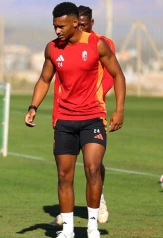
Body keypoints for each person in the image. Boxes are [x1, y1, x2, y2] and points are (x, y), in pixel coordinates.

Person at [24, 2, 125, 238]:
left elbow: (118, 74)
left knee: (92, 169)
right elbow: (43, 79)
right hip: (64, 121)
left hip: (92, 118)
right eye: (54, 26)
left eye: (61, 26)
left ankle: (92, 227)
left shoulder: (96, 44)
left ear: (74, 23)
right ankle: (68, 230)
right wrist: (33, 106)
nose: (57, 30)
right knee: (64, 176)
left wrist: (119, 109)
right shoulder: (52, 49)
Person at [50, 4, 116, 226]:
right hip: (65, 112)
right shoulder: (58, 47)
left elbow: (111, 75)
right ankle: (67, 217)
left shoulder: (101, 43)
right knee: (64, 171)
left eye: (86, 26)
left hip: (93, 110)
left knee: (93, 165)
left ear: (88, 24)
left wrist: (93, 95)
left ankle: (99, 205)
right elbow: (56, 79)